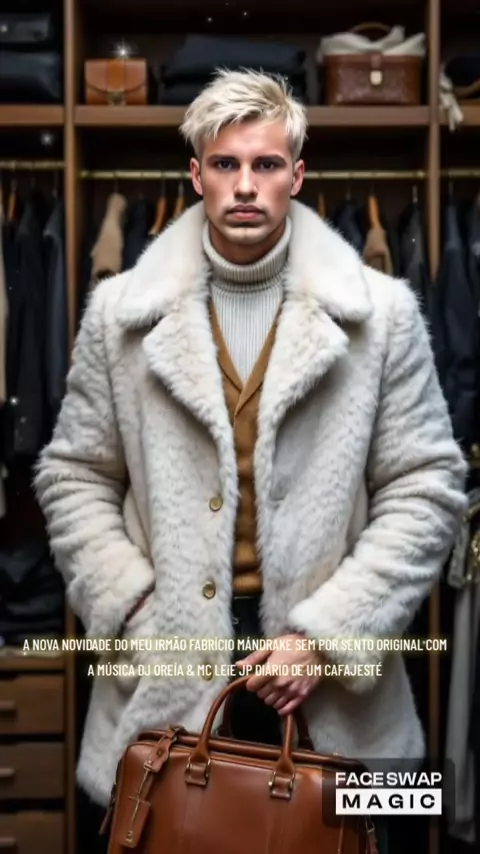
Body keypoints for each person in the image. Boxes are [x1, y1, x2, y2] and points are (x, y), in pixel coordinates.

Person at [34, 68, 467, 851]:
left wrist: (328, 635)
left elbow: (429, 486)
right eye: (225, 164)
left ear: (296, 176)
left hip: (336, 683)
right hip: (166, 667)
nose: (244, 185)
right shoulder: (118, 315)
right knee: (166, 835)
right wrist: (135, 610)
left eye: (265, 165)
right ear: (195, 173)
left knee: (356, 839)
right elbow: (74, 476)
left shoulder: (384, 315)